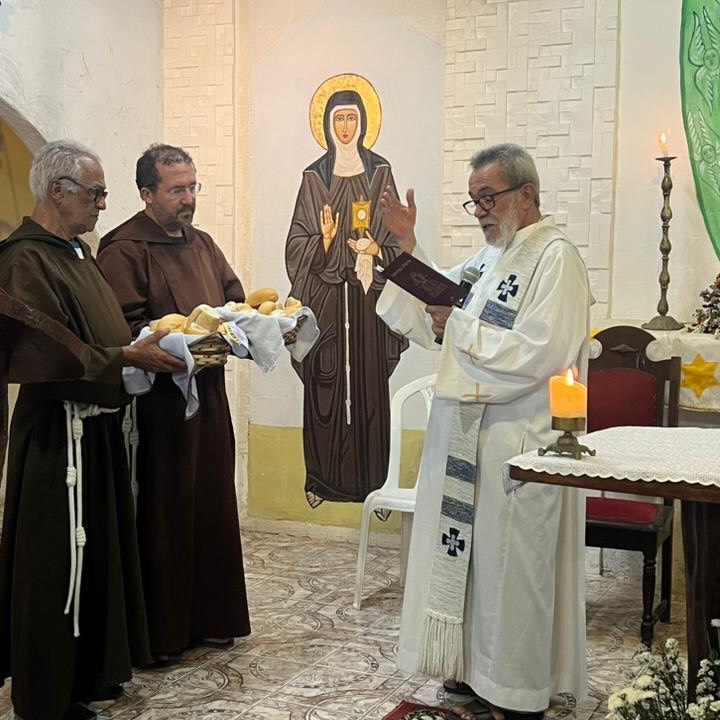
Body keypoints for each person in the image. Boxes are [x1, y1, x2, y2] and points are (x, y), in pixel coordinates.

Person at [377, 143, 589, 720]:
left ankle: (516, 692)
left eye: (489, 198)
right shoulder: (491, 257)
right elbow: (437, 299)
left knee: (512, 570)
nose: (481, 213)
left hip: (517, 442)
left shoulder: (555, 259)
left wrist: (461, 330)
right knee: (470, 565)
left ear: (527, 194)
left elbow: (544, 350)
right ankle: (473, 672)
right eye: (474, 201)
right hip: (467, 436)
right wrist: (406, 245)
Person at [0, 140, 185, 720]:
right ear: (58, 191)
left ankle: (90, 674)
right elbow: (45, 356)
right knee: (53, 564)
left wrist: (137, 348)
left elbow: (102, 332)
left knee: (98, 554)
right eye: (96, 193)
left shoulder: (77, 253)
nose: (103, 204)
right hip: (57, 437)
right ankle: (46, 696)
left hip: (96, 431)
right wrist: (126, 357)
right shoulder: (23, 260)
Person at [96, 144, 251, 664]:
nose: (188, 199)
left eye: (192, 187)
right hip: (157, 409)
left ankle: (212, 619)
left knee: (211, 503)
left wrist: (249, 325)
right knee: (166, 510)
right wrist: (177, 342)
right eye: (176, 190)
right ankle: (161, 633)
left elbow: (234, 300)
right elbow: (120, 327)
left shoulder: (202, 243)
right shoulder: (124, 249)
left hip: (208, 396)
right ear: (146, 193)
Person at [285, 82, 408, 507]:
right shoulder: (313, 178)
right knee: (325, 381)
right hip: (326, 301)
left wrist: (375, 250)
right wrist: (324, 241)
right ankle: (321, 480)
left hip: (368, 299)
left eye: (352, 117)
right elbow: (295, 244)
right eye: (338, 118)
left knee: (370, 386)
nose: (345, 126)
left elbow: (397, 238)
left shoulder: (380, 173)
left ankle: (375, 484)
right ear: (326, 123)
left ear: (363, 122)